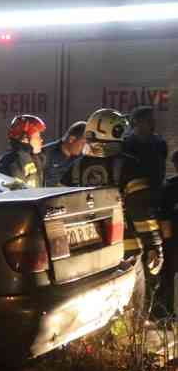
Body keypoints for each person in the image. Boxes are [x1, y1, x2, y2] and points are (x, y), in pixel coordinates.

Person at [64, 108, 164, 310]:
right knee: (131, 309)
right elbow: (141, 211)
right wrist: (154, 245)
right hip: (123, 251)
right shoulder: (130, 166)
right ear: (116, 133)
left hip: (82, 255)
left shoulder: (73, 170)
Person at [125, 105, 168, 204]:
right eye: (149, 120)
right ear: (136, 122)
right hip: (133, 197)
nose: (153, 123)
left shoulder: (160, 143)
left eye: (153, 120)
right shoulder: (126, 144)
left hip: (157, 195)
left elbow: (162, 166)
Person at [0, 114, 47, 188]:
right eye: (37, 137)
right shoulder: (13, 162)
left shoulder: (34, 158)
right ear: (25, 139)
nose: (41, 140)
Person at [157, 150, 178, 316]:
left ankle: (170, 313)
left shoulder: (169, 186)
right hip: (173, 240)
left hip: (172, 240)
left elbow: (164, 217)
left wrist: (167, 242)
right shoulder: (170, 187)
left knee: (170, 276)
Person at [41, 121, 86, 186]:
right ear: (71, 139)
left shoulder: (79, 156)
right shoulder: (45, 154)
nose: (84, 148)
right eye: (83, 143)